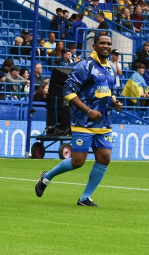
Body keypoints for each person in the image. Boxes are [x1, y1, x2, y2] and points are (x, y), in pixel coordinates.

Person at [35, 35, 123, 207]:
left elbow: (109, 91)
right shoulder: (84, 66)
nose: (106, 46)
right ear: (94, 45)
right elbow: (67, 92)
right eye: (102, 43)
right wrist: (88, 110)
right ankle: (47, 177)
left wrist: (114, 102)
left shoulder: (111, 68)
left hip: (104, 122)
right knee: (77, 162)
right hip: (83, 121)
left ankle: (84, 198)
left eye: (109, 44)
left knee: (104, 158)